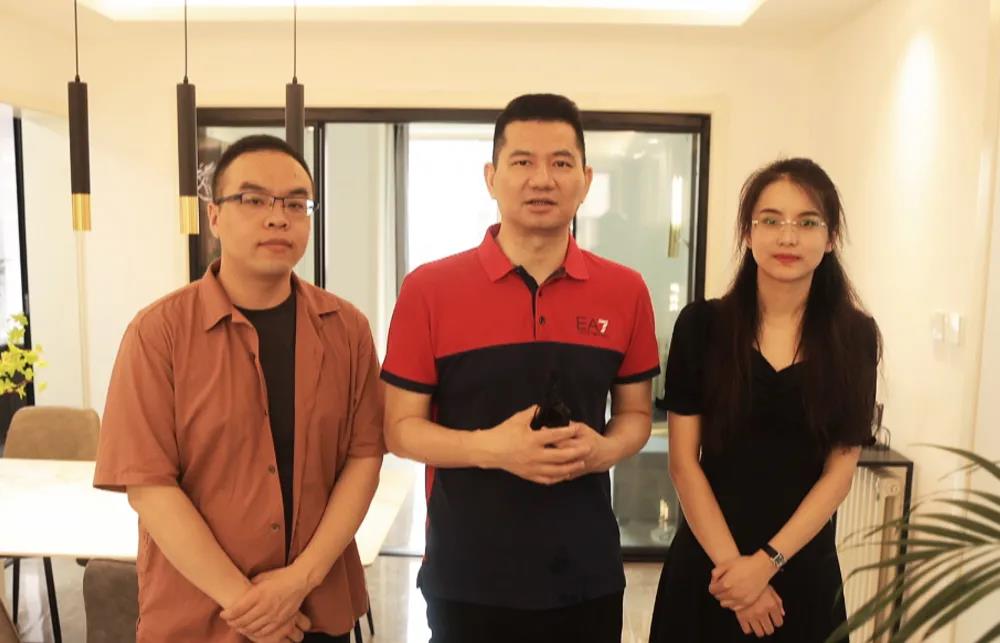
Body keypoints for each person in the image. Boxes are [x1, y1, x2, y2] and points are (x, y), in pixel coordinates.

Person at [381, 93, 660, 643]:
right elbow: (399, 429)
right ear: (491, 177)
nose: (542, 180)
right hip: (468, 573)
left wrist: (602, 450)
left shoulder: (625, 290)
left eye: (561, 163)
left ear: (585, 180)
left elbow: (636, 415)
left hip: (586, 572)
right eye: (523, 162)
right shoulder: (430, 289)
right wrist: (495, 449)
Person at [94, 135, 385, 642]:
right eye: (253, 200)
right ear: (214, 216)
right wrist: (250, 605)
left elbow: (364, 459)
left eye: (295, 203)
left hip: (316, 612)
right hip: (202, 619)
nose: (277, 218)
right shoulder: (159, 333)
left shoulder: (347, 329)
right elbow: (149, 486)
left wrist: (300, 581)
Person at [648, 157, 881, 641]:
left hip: (802, 569)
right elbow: (683, 464)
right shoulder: (702, 327)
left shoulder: (855, 337)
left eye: (807, 222)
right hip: (711, 568)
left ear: (831, 237)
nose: (787, 237)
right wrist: (738, 574)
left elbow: (838, 474)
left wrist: (766, 564)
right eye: (771, 220)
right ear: (747, 233)